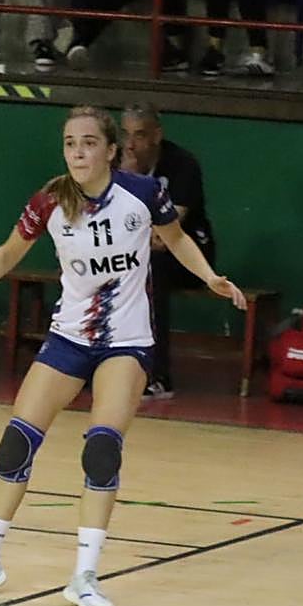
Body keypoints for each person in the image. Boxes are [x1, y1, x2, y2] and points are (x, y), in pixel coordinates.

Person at [0, 106, 244, 606]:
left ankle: (84, 577)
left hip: (126, 341)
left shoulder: (142, 193)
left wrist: (210, 278)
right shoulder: (50, 200)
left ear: (111, 150)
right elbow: (9, 253)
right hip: (69, 337)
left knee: (102, 450)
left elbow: (177, 239)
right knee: (16, 443)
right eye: (71, 143)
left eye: (89, 143)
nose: (78, 152)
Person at [119, 102, 215, 398]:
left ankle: (157, 375)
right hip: (138, 252)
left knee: (151, 267)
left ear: (157, 135)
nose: (131, 145)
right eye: (126, 135)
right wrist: (125, 177)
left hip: (190, 255)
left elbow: (167, 234)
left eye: (140, 135)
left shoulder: (182, 165)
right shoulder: (118, 165)